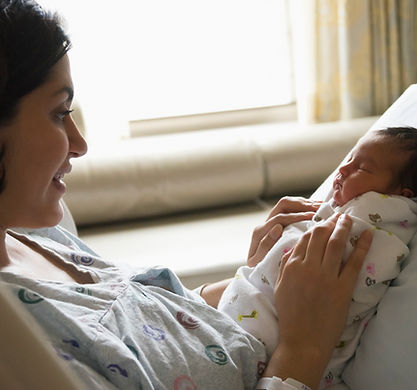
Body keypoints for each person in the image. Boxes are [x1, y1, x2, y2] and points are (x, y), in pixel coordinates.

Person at [0, 1, 373, 389]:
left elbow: (146, 330)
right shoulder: (19, 348)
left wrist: (255, 284)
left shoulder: (34, 234)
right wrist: (306, 345)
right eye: (60, 113)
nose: (79, 144)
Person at [218, 127, 417, 388]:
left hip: (242, 340)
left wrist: (261, 267)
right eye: (348, 160)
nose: (342, 170)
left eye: (362, 168)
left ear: (402, 196)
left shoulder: (376, 223)